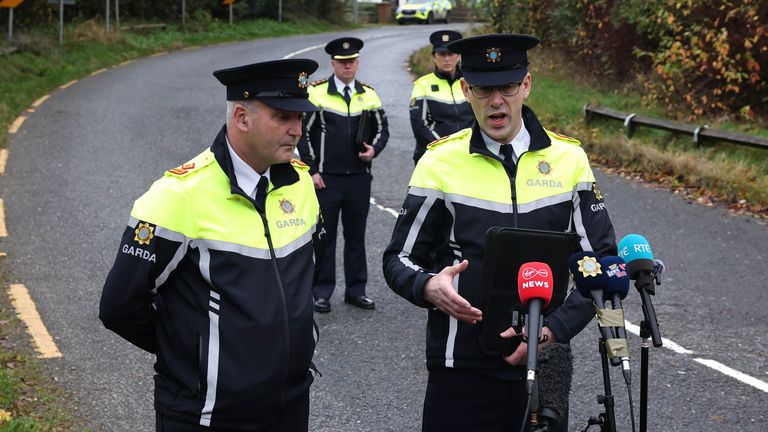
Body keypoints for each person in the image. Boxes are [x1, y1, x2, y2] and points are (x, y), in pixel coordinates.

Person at [382, 34, 617, 432]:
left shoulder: (569, 159)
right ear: (465, 90)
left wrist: (553, 329)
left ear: (525, 85)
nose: (496, 101)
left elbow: (605, 264)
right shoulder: (438, 162)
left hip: (544, 366)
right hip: (460, 369)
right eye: (484, 89)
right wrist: (427, 287)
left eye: (507, 87)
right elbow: (397, 259)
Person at [99, 59, 323, 431]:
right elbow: (119, 307)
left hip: (291, 404)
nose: (297, 130)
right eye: (283, 117)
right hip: (206, 414)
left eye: (300, 119)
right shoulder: (177, 196)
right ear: (241, 117)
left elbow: (306, 277)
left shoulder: (300, 185)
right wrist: (197, 355)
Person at [298, 37, 389, 313]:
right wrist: (312, 170)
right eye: (342, 62)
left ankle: (356, 290)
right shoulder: (316, 93)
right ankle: (321, 292)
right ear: (333, 63)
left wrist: (374, 150)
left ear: (358, 63)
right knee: (325, 237)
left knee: (356, 236)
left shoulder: (369, 95)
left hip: (359, 178)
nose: (347, 66)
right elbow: (303, 134)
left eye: (352, 62)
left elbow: (383, 130)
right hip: (326, 179)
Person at [409, 30, 474, 164]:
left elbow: (479, 119)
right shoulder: (422, 85)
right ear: (434, 57)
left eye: (450, 54)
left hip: (469, 154)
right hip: (433, 157)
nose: (446, 59)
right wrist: (445, 149)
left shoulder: (471, 83)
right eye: (441, 54)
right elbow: (420, 126)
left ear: (458, 56)